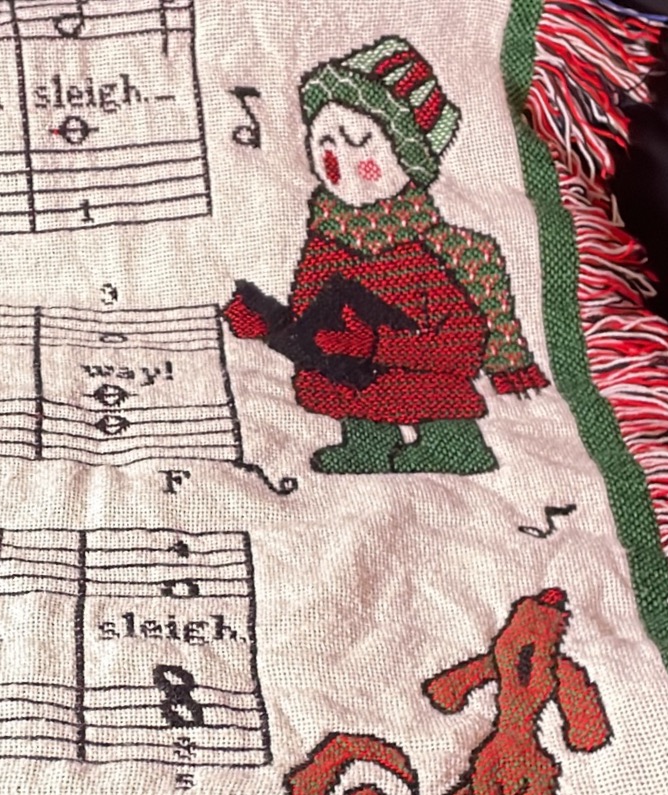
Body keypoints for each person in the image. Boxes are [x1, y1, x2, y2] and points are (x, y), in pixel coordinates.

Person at [224, 37, 549, 475]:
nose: (338, 158)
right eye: (325, 142)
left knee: (431, 401)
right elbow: (311, 327)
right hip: (353, 380)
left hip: (424, 377)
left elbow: (465, 339)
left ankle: (454, 445)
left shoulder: (431, 252)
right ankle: (369, 444)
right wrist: (269, 325)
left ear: (405, 159)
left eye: (359, 141)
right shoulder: (325, 246)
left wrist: (377, 345)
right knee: (348, 391)